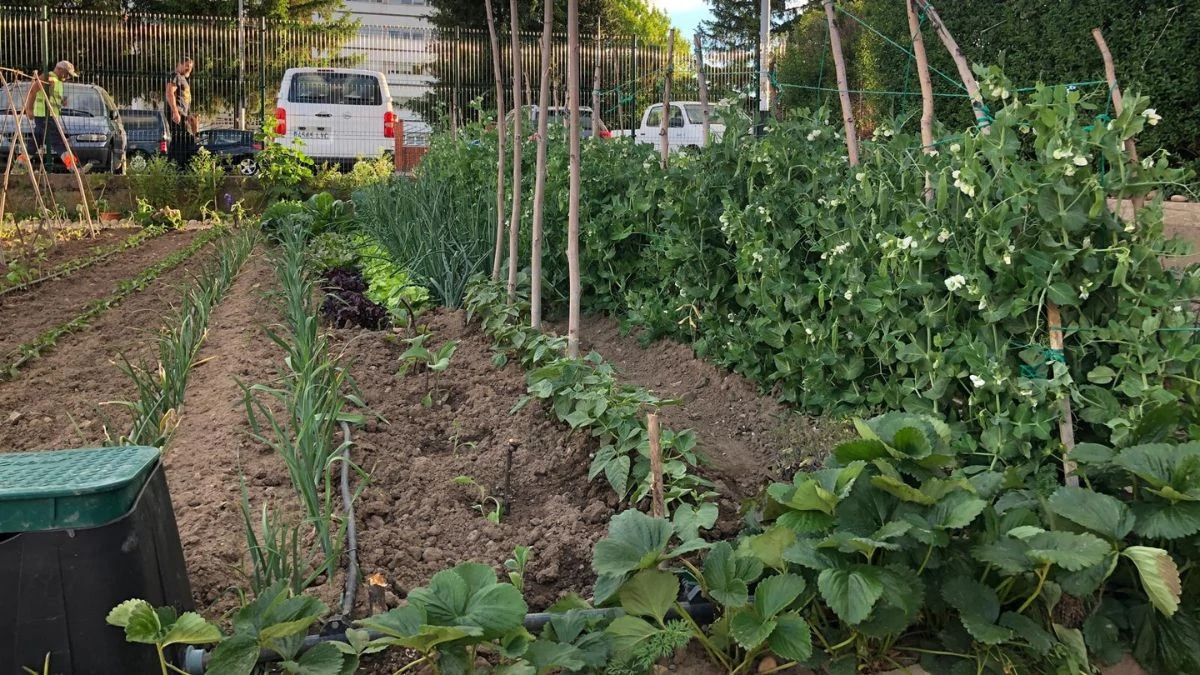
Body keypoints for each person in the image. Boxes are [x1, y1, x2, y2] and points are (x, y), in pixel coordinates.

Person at [26, 60, 77, 170]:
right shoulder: (48, 77)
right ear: (59, 69)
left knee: (36, 142)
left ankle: (20, 165)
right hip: (44, 115)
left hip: (51, 116)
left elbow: (53, 97)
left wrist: (61, 100)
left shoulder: (58, 82)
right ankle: (72, 166)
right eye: (67, 74)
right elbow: (32, 91)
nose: (68, 77)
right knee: (57, 141)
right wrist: (29, 109)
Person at [165, 56, 195, 168]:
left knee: (183, 141)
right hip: (177, 115)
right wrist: (175, 112)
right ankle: (176, 167)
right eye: (187, 65)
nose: (189, 69)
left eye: (191, 67)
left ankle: (177, 167)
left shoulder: (183, 80)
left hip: (183, 115)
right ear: (179, 64)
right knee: (182, 140)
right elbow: (169, 93)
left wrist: (190, 117)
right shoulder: (175, 76)